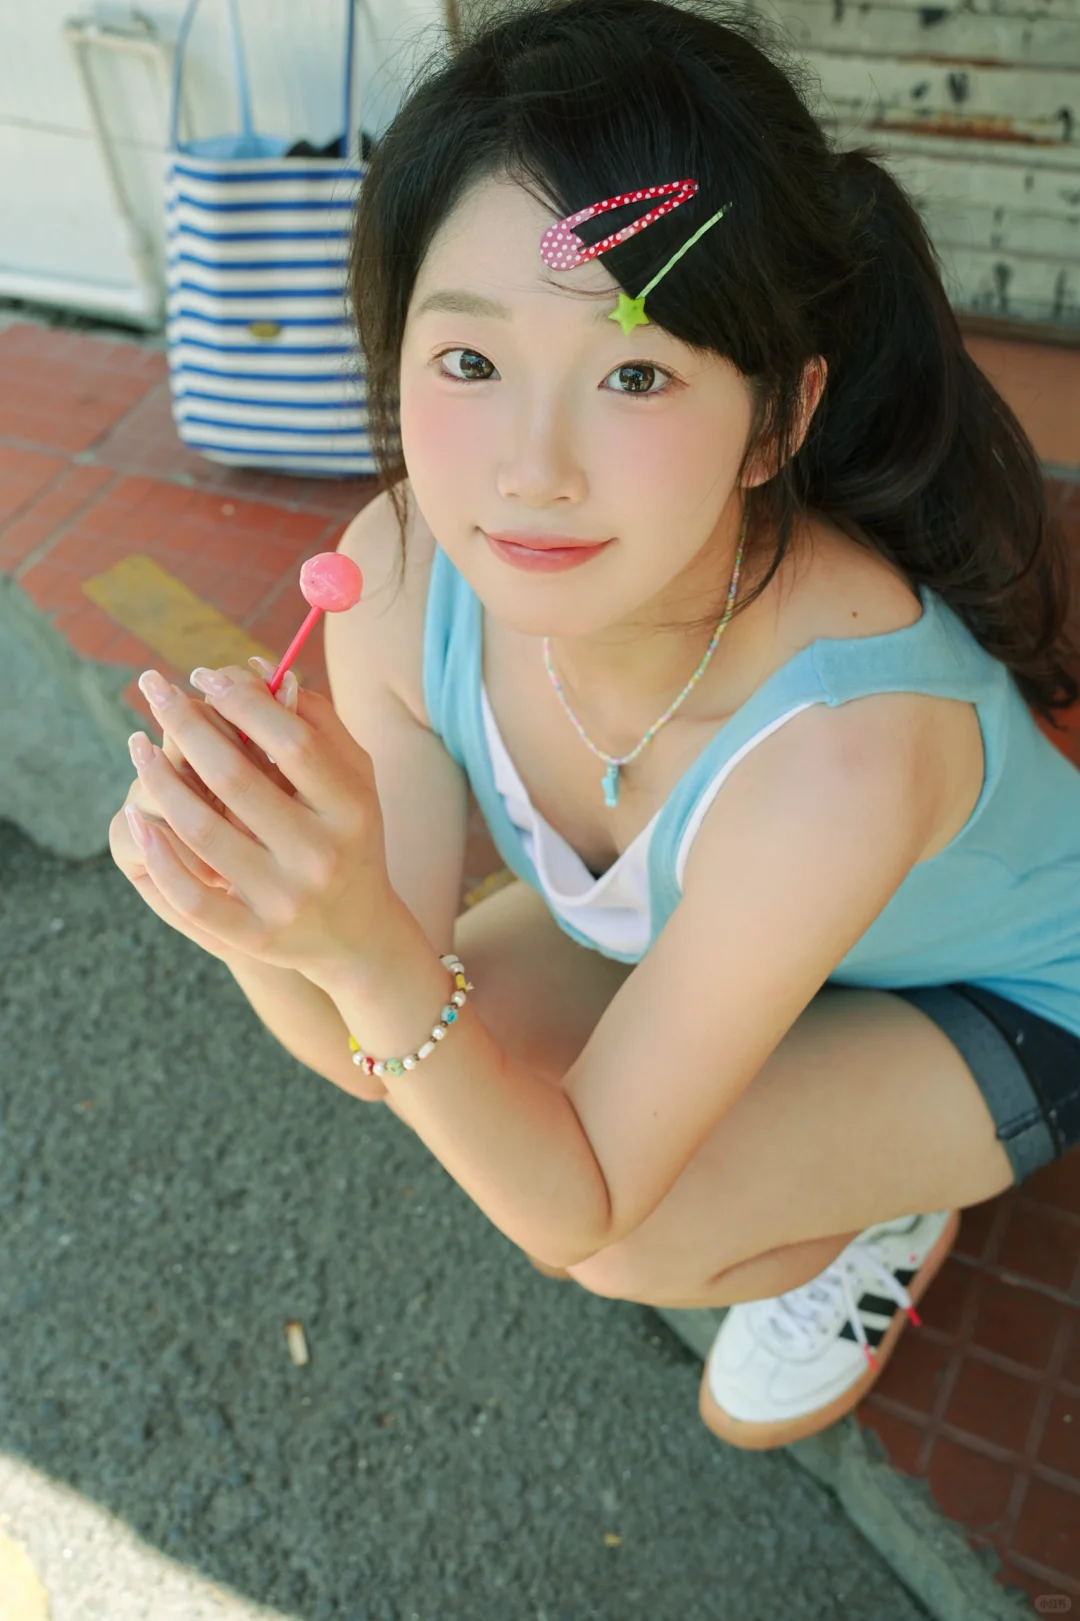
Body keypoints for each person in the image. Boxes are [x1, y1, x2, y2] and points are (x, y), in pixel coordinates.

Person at [110, 0, 1080, 1452]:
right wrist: (254, 906)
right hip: (728, 909)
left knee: (629, 1234)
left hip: (999, 993)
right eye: (470, 362)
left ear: (776, 419)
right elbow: (369, 1047)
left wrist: (361, 950)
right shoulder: (397, 581)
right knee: (456, 1056)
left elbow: (574, 1206)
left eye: (635, 373)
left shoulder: (846, 753)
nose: (531, 471)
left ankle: (889, 1203)